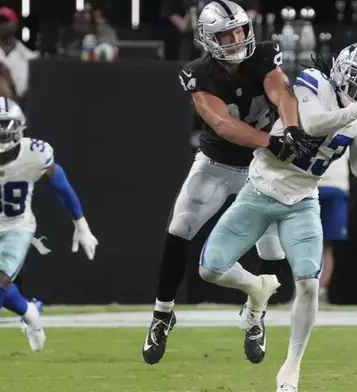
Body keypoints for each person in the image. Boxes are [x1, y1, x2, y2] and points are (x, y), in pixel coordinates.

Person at [199, 42, 357, 391]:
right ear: (340, 70)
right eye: (355, 79)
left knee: (309, 284)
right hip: (262, 187)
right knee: (210, 268)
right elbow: (310, 124)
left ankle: (291, 371)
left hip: (302, 198)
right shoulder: (313, 81)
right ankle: (257, 288)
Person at [142, 0, 311, 366]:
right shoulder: (197, 73)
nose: (236, 39)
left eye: (239, 30)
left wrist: (292, 127)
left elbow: (281, 91)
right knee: (179, 228)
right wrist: (272, 140)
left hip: (262, 169)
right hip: (218, 163)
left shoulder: (265, 55)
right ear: (208, 38)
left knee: (272, 253)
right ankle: (162, 314)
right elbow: (221, 124)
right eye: (226, 33)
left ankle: (255, 314)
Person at [0, 97, 99, 363]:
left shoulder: (35, 154)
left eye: (8, 125)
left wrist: (81, 224)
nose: (3, 132)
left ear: (20, 127)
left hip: (18, 227)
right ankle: (30, 311)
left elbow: (61, 186)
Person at [316, 144, 350, 304]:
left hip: (330, 186)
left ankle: (319, 292)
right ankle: (307, 293)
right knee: (314, 245)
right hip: (311, 185)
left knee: (325, 246)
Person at [0, 7, 38, 99]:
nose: (2, 25)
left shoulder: (28, 56)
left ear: (16, 24)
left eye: (6, 21)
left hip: (18, 103)